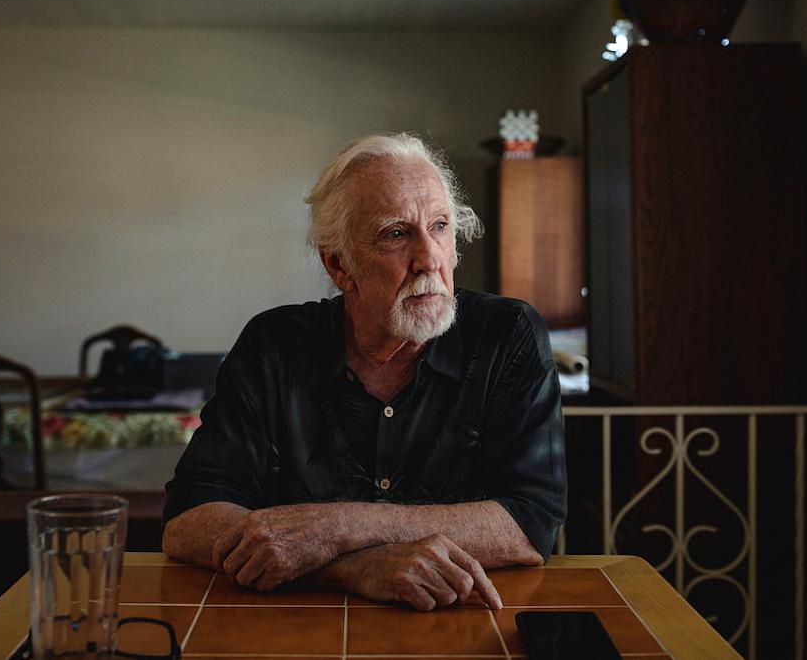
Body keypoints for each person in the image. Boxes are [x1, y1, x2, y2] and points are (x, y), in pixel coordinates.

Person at [162, 132, 566, 611]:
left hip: (465, 626)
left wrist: (337, 528)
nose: (430, 260)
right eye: (396, 234)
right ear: (339, 266)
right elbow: (188, 518)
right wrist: (353, 568)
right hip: (299, 634)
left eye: (439, 226)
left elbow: (529, 523)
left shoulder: (507, 334)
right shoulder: (274, 345)